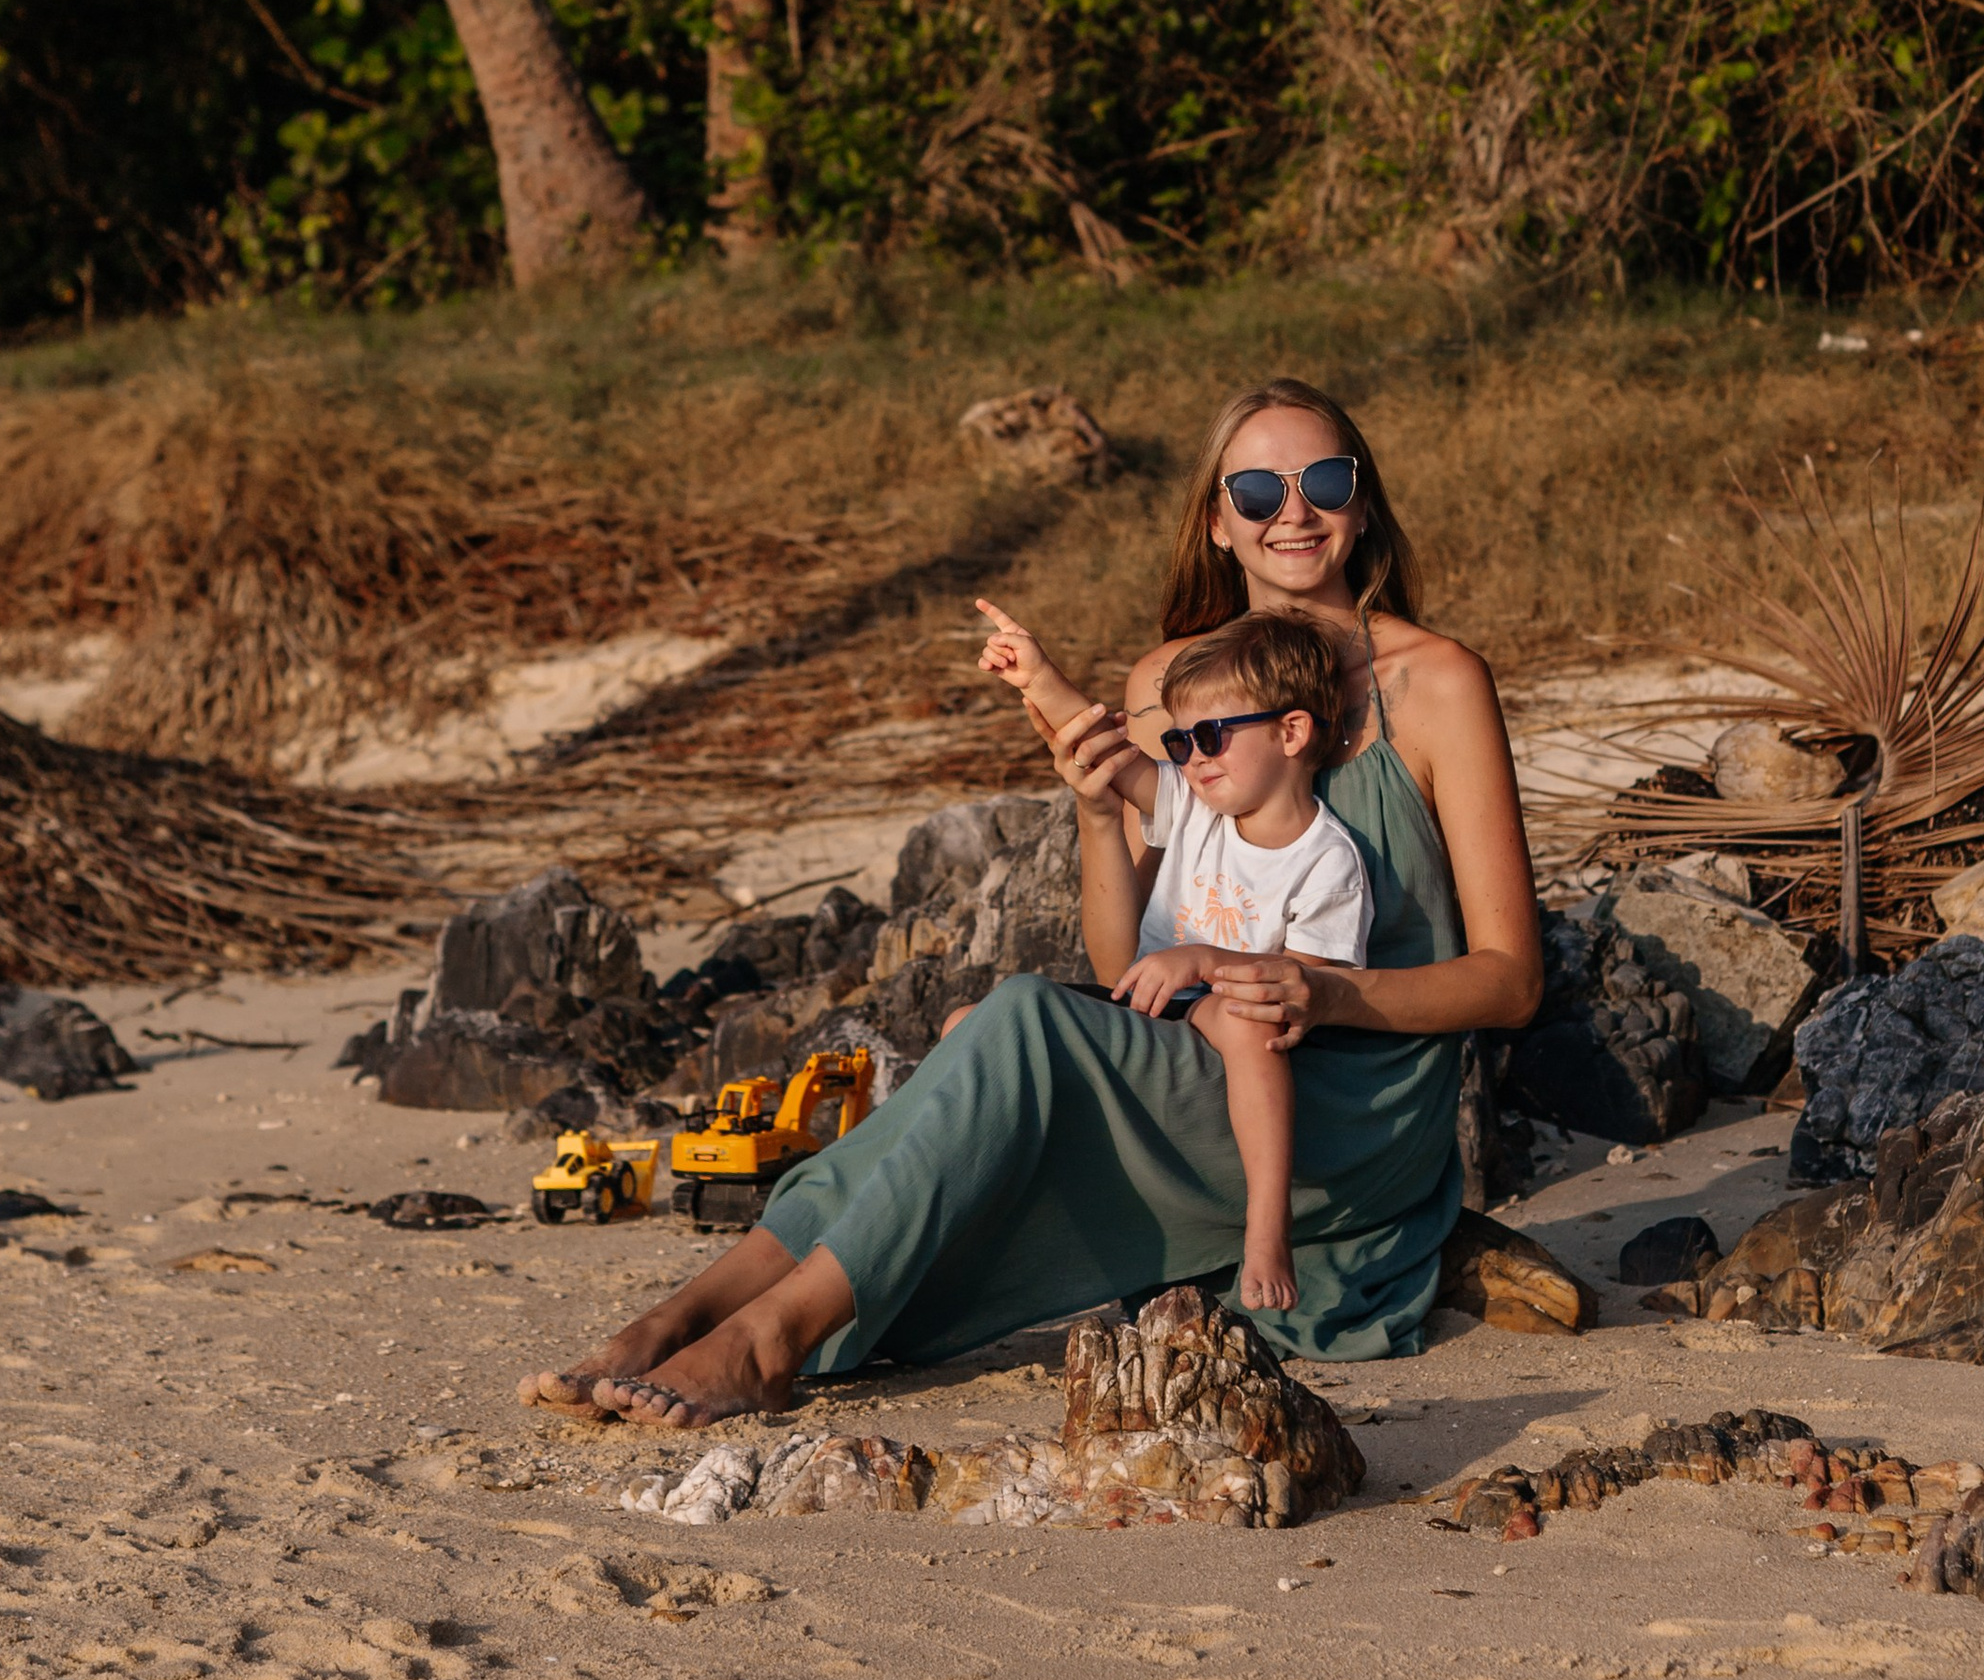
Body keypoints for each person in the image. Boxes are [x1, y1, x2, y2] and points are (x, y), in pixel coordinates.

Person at [516, 376, 1543, 1427]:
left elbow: (1510, 983)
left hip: (1345, 1117)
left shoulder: (1436, 684)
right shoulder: (1167, 691)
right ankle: (679, 1320)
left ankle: (772, 1338)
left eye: (1324, 479)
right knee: (989, 1032)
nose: (1294, 509)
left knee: (1017, 1020)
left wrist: (1325, 995)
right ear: (1216, 522)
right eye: (1256, 488)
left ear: (1363, 504)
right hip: (1195, 1059)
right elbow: (1121, 968)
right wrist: (1100, 817)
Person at [973, 604, 1372, 1312]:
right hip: (1142, 1018)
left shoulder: (1328, 861)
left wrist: (1202, 960)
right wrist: (1038, 676)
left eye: (1211, 735)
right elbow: (1107, 748)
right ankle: (984, 1225)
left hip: (1224, 1035)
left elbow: (1312, 991)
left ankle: (1266, 1230)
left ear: (1292, 731)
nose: (1193, 758)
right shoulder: (1192, 804)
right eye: (1182, 741)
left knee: (1246, 1020)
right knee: (967, 1027)